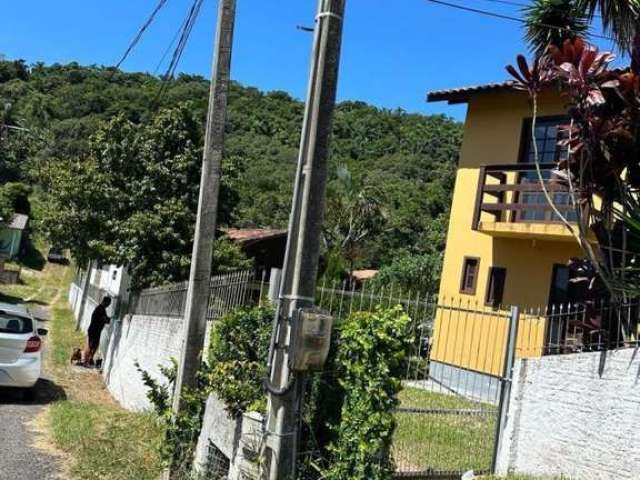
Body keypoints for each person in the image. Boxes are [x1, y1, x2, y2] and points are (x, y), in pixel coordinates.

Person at [83, 296, 112, 367]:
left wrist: (108, 319)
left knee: (95, 346)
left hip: (97, 331)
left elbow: (106, 320)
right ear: (105, 302)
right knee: (91, 346)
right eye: (108, 303)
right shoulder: (100, 309)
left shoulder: (102, 309)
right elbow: (105, 320)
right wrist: (109, 319)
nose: (109, 305)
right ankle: (86, 361)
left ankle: (90, 359)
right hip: (93, 330)